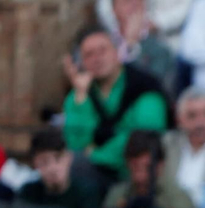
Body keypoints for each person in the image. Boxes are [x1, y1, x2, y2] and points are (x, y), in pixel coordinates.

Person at [60, 26, 169, 179]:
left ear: (117, 52)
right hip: (94, 175)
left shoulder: (145, 86)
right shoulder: (80, 92)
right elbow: (75, 144)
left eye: (102, 51)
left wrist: (95, 154)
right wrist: (81, 96)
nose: (97, 59)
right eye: (89, 54)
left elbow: (144, 136)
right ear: (81, 62)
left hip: (136, 175)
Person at [105, 0, 181, 94]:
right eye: (128, 0)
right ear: (114, 9)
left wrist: (131, 44)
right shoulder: (103, 41)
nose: (136, 4)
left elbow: (150, 85)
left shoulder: (160, 47)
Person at [104, 129, 194, 208]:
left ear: (160, 165)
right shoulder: (117, 195)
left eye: (146, 165)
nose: (139, 171)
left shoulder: (178, 199)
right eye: (135, 164)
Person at [16, 128, 106, 208]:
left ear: (69, 158)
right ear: (35, 163)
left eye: (58, 158)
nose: (52, 167)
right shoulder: (28, 194)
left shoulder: (87, 193)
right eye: (44, 161)